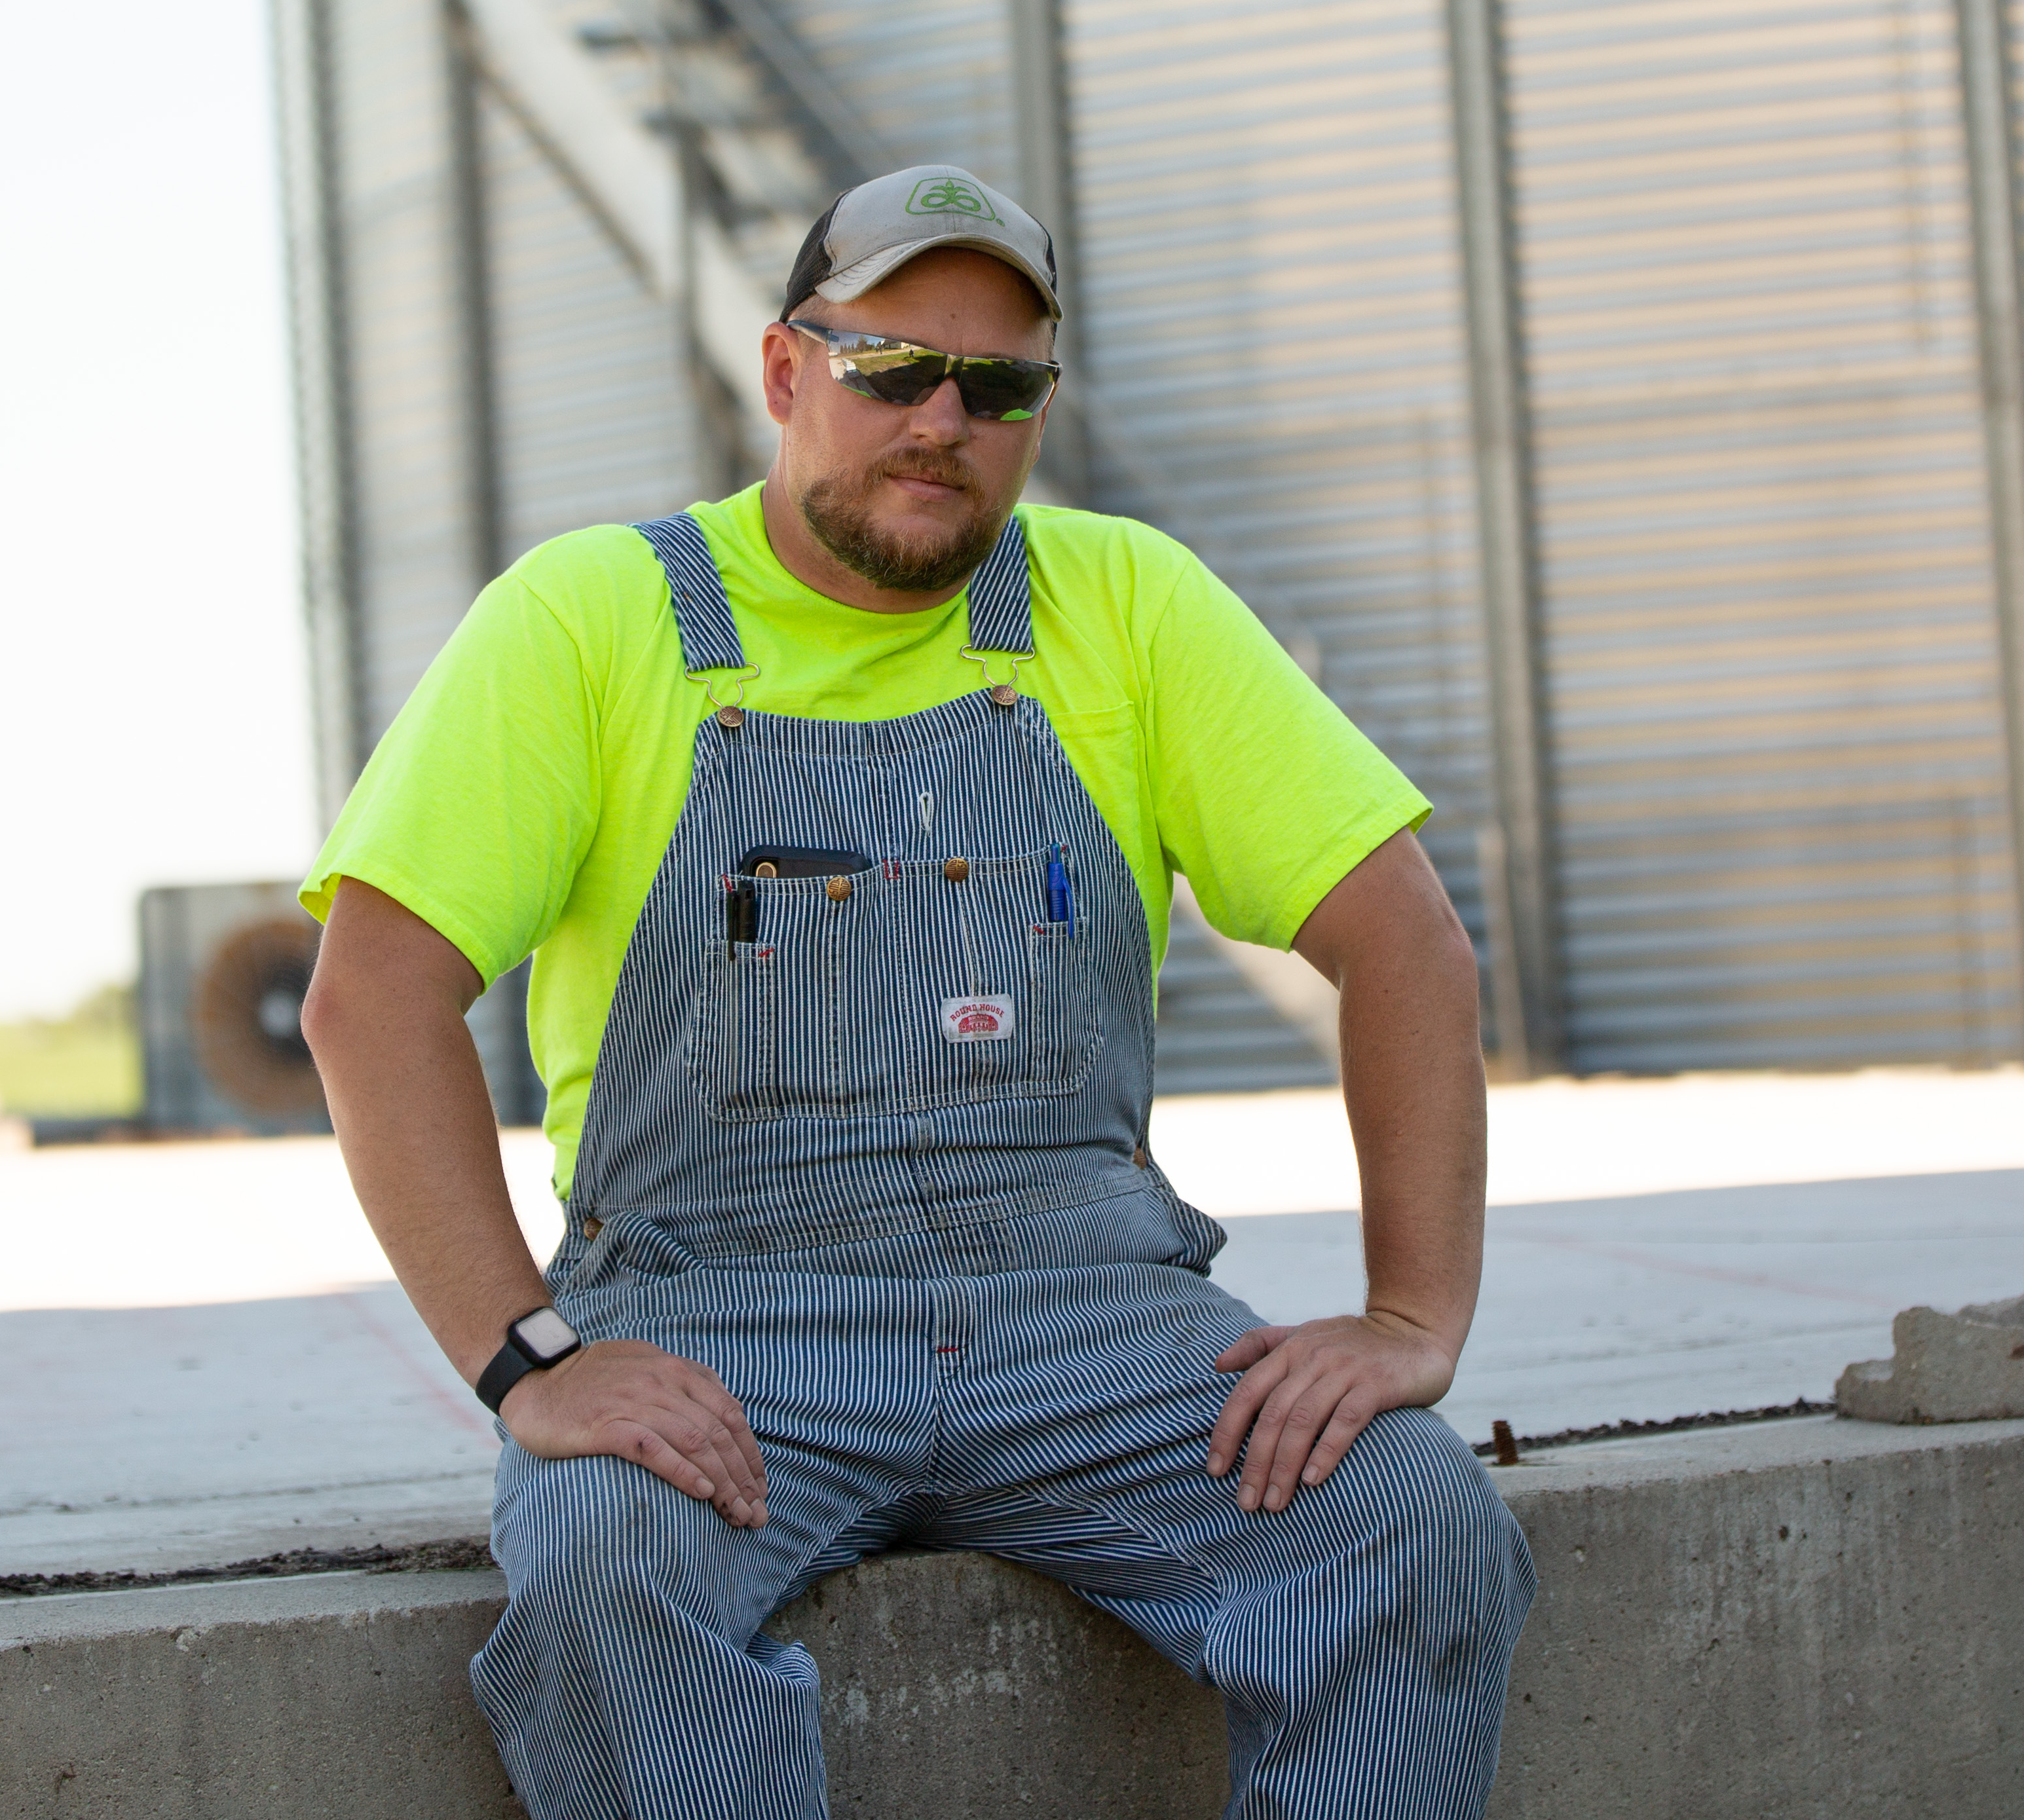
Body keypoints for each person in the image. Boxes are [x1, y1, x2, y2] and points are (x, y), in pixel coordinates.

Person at [299, 164, 1535, 1819]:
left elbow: (1405, 942)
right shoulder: (595, 619)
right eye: (891, 366)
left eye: (999, 383)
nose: (942, 417)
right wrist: (531, 1357)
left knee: (1411, 1524)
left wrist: (1410, 1316)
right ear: (787, 369)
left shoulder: (1126, 606)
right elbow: (370, 992)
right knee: (606, 1566)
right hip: (722, 1316)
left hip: (1090, 1315)